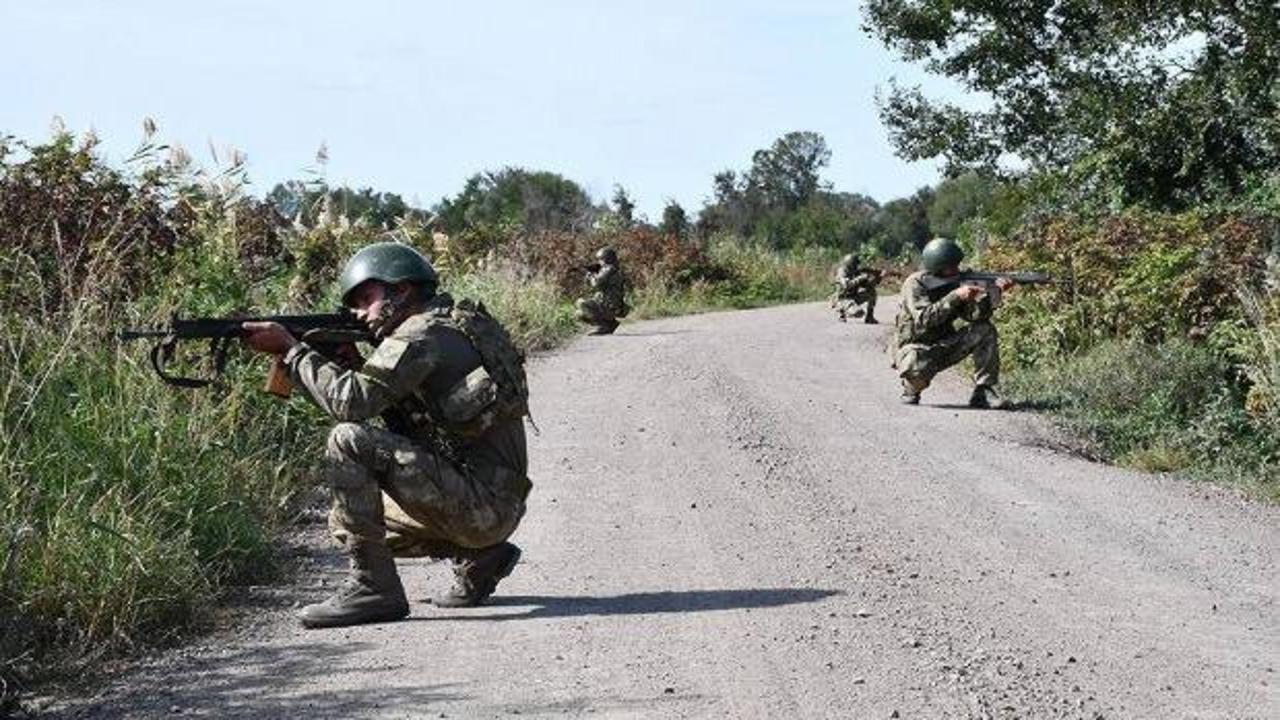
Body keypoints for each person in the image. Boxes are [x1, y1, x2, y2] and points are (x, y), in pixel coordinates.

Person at [241, 242, 532, 628]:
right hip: (491, 503)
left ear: (402, 290)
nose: (359, 313)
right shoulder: (448, 325)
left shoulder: (419, 334)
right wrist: (355, 364)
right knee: (344, 520)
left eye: (366, 298)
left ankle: (374, 590)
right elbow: (415, 421)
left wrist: (292, 352)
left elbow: (352, 404)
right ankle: (482, 556)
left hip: (483, 507)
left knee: (347, 439)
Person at [893, 237, 1014, 409]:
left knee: (984, 330)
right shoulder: (916, 283)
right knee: (915, 364)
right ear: (937, 267)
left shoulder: (957, 282)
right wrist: (956, 296)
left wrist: (994, 294)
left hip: (945, 345)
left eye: (957, 265)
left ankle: (984, 391)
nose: (957, 270)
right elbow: (924, 319)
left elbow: (974, 317)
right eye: (951, 267)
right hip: (916, 349)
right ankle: (911, 388)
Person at [575, 247, 628, 335]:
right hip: (611, 305)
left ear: (606, 259)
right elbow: (594, 285)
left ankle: (604, 326)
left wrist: (591, 274)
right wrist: (589, 275)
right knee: (579, 314)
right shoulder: (612, 269)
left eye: (600, 259)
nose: (599, 262)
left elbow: (596, 284)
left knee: (581, 303)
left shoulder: (609, 269)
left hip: (610, 306)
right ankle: (610, 324)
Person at [830, 253, 881, 323]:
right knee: (858, 312)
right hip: (843, 299)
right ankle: (842, 313)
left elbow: (867, 285)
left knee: (871, 292)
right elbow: (846, 286)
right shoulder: (842, 272)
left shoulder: (856, 272)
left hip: (854, 297)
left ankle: (869, 317)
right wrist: (860, 278)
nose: (857, 266)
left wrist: (876, 278)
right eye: (855, 264)